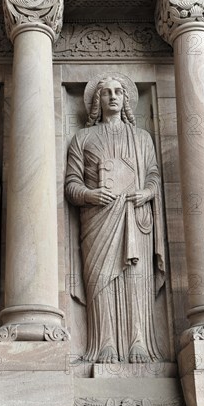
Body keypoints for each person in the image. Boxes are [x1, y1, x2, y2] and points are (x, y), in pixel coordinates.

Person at [65, 74, 165, 364]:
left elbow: (154, 176)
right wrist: (91, 195)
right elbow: (71, 185)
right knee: (101, 282)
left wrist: (146, 193)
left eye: (118, 91)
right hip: (98, 218)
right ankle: (104, 342)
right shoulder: (82, 138)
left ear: (125, 98)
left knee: (136, 279)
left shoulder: (142, 138)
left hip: (135, 217)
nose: (112, 96)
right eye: (106, 92)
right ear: (96, 100)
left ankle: (138, 341)